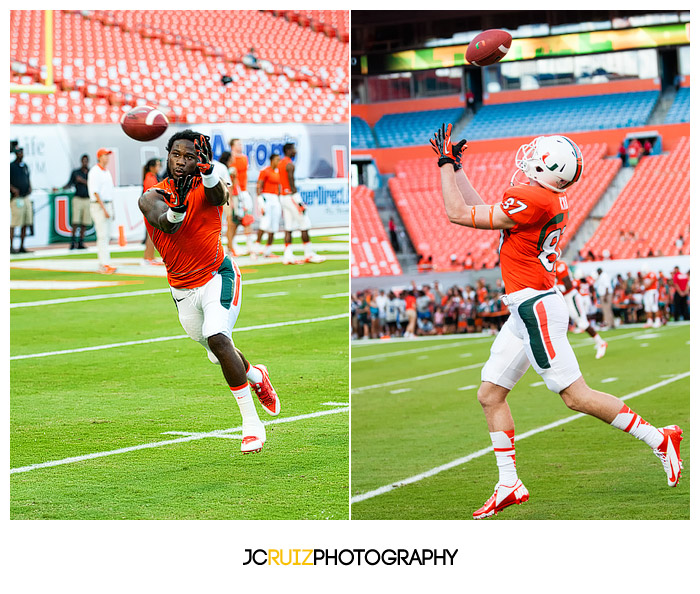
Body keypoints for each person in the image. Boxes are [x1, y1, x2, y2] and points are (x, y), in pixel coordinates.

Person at [431, 123, 683, 519]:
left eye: (537, 156)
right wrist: (458, 169)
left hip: (535, 307)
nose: (528, 159)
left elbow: (458, 214)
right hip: (526, 307)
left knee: (575, 396)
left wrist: (444, 164)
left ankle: (659, 438)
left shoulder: (532, 197)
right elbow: (486, 212)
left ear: (550, 168)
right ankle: (509, 483)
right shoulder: (545, 197)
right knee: (490, 394)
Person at [138, 129, 279, 454]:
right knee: (219, 351)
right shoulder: (151, 194)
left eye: (189, 156)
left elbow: (217, 195)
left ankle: (251, 424)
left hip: (218, 275)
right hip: (182, 290)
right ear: (168, 155)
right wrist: (179, 206)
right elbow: (167, 223)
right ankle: (256, 375)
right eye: (176, 154)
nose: (181, 161)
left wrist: (211, 171)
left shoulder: (212, 182)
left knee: (217, 335)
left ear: (200, 158)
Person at [278, 142, 324, 264]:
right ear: (288, 150)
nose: (295, 151)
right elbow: (291, 184)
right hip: (291, 196)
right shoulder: (289, 165)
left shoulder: (280, 163)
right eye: (293, 149)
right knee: (305, 223)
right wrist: (298, 201)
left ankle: (287, 255)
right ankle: (308, 253)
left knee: (288, 226)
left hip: (283, 196)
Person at [555, 259, 607, 358]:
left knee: (582, 323)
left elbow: (568, 285)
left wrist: (556, 289)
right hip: (563, 298)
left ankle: (601, 342)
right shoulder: (549, 266)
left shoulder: (559, 265)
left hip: (570, 297)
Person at [88, 148, 117, 274]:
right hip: (99, 205)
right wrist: (104, 209)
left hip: (107, 204)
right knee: (102, 235)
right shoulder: (95, 171)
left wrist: (112, 209)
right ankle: (104, 263)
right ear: (99, 157)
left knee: (107, 235)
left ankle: (106, 262)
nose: (107, 158)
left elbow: (109, 192)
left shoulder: (106, 172)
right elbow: (95, 191)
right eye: (105, 155)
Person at [253, 153, 282, 259]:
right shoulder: (265, 171)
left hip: (275, 199)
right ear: (272, 160)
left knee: (274, 226)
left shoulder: (278, 172)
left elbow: (279, 187)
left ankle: (268, 250)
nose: (278, 162)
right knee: (264, 224)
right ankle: (255, 249)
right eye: (277, 160)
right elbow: (259, 186)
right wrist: (260, 201)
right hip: (267, 198)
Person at [229, 138, 255, 256]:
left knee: (247, 218)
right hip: (235, 192)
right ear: (232, 146)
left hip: (243, 191)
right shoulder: (231, 158)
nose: (241, 146)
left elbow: (245, 175)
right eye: (238, 144)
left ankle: (249, 245)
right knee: (234, 220)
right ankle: (231, 245)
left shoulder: (244, 158)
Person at [63, 154, 91, 250]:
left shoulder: (90, 173)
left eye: (86, 161)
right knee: (75, 221)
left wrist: (82, 180)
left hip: (87, 199)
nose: (85, 163)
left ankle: (81, 242)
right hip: (78, 199)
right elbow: (69, 184)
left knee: (84, 222)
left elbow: (92, 184)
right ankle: (73, 242)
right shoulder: (76, 172)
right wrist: (60, 188)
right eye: (83, 161)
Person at [10, 146, 33, 254]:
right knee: (15, 223)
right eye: (19, 152)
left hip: (26, 197)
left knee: (26, 222)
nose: (21, 154)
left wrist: (30, 186)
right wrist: (12, 189)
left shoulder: (25, 166)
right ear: (16, 154)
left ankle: (22, 246)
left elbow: (28, 178)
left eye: (22, 152)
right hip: (16, 199)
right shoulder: (11, 166)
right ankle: (10, 246)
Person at [142, 158, 164, 264]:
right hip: (151, 209)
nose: (159, 167)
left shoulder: (152, 177)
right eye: (157, 165)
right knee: (152, 235)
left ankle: (149, 256)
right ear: (152, 167)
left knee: (151, 235)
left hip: (151, 209)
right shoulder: (150, 178)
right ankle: (148, 257)